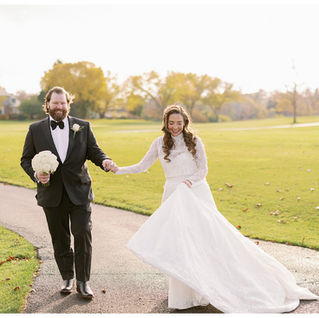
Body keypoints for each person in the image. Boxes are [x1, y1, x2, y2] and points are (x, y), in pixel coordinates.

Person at [110, 104, 318, 313]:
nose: (175, 127)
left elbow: (203, 169)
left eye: (179, 123)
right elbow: (142, 166)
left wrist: (188, 183)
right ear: (165, 123)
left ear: (185, 123)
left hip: (195, 191)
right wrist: (119, 170)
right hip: (173, 194)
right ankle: (185, 295)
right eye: (171, 123)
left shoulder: (195, 141)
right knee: (180, 242)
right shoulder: (159, 143)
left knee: (207, 238)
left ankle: (213, 285)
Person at [20, 86, 115, 299]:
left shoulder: (83, 126)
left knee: (82, 234)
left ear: (67, 104)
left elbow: (94, 151)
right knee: (60, 239)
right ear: (47, 105)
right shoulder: (35, 130)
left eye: (63, 103)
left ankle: (83, 282)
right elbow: (25, 159)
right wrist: (36, 174)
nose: (59, 107)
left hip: (79, 192)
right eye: (55, 103)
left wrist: (105, 160)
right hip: (51, 195)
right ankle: (67, 277)